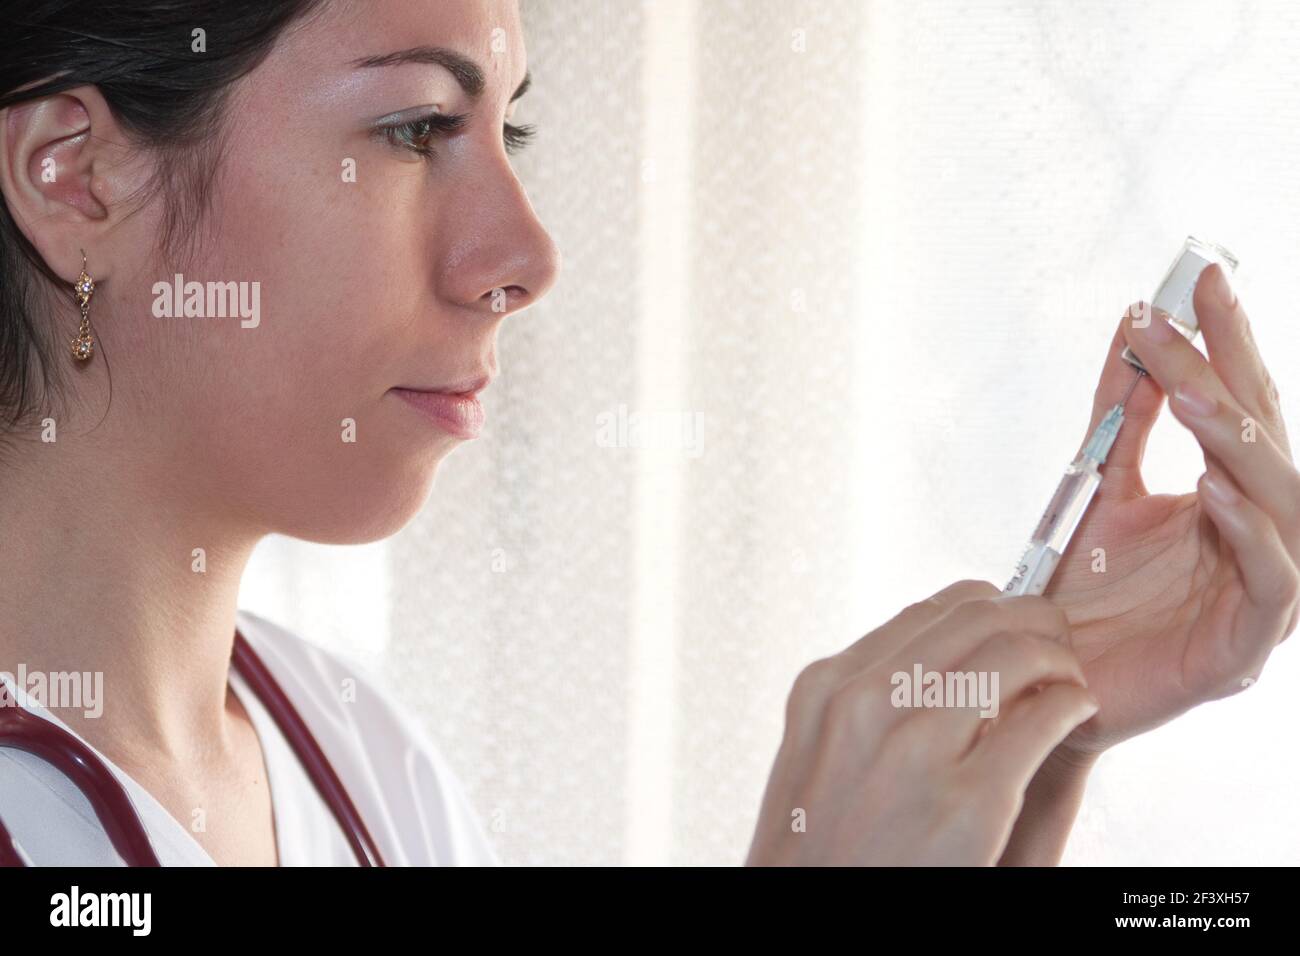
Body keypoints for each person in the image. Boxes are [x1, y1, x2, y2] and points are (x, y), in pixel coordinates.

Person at [0, 0, 1294, 866]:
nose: (527, 255)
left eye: (506, 128)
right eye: (414, 130)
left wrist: (1034, 734)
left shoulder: (353, 754)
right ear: (77, 177)